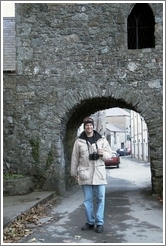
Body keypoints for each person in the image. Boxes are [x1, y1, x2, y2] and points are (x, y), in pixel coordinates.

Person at [70, 117, 112, 233]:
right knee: (87, 200)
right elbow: (75, 158)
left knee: (100, 199)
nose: (89, 127)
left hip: (99, 174)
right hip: (85, 173)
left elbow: (109, 155)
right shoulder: (79, 141)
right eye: (87, 125)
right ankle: (89, 221)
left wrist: (102, 153)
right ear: (84, 127)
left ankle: (99, 223)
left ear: (93, 126)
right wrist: (73, 173)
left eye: (91, 125)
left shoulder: (102, 140)